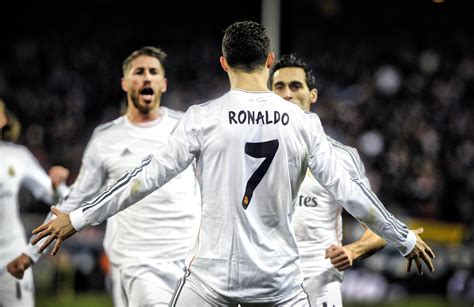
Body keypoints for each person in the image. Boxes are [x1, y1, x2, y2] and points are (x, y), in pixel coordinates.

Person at [30, 21, 435, 306]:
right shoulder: (303, 123)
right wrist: (405, 239)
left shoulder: (202, 118)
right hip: (280, 284)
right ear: (270, 60)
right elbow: (353, 193)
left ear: (222, 63)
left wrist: (78, 217)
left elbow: (144, 177)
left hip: (210, 282)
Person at [7, 46, 202, 307]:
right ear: (124, 82)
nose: (146, 77)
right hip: (138, 263)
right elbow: (76, 197)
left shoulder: (186, 128)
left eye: (153, 72)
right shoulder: (106, 137)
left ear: (163, 83)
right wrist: (30, 253)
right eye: (139, 72)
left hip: (192, 260)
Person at [269, 54, 391, 306]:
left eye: (295, 86)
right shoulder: (248, 152)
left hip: (319, 281)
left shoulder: (342, 158)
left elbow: (379, 229)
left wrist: (352, 251)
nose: (287, 94)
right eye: (279, 87)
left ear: (313, 95)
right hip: (265, 280)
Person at [0, 99, 69, 307]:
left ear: (4, 120)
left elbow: (57, 197)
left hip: (11, 260)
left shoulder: (17, 156)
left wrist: (57, 185)